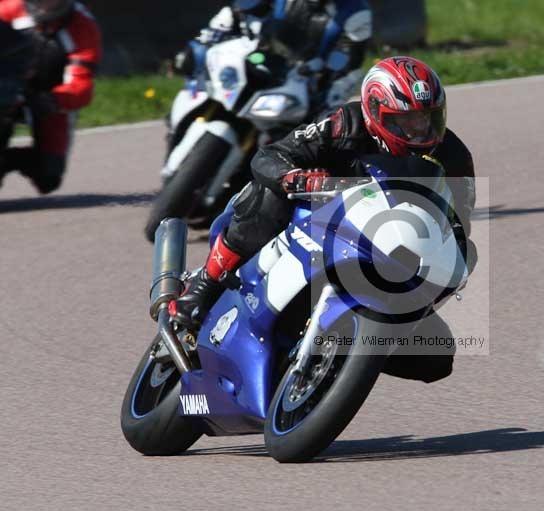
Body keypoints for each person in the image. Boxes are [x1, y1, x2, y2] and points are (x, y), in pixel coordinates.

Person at [171, 56, 476, 383]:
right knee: (271, 192)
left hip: (389, 248)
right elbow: (271, 156)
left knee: (437, 357)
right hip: (321, 219)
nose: (420, 131)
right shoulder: (344, 122)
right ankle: (208, 281)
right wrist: (297, 179)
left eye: (429, 119)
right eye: (406, 121)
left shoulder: (454, 156)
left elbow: (458, 223)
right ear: (374, 111)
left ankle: (354, 351)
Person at [176, 0, 372, 101]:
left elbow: (346, 60)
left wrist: (329, 85)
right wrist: (215, 33)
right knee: (194, 58)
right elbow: (240, 9)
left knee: (318, 131)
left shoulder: (357, 13)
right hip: (249, 56)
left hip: (298, 82)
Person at [0, 0, 101, 194]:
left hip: (49, 95)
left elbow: (82, 85)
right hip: (6, 87)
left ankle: (8, 161)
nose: (45, 5)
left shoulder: (83, 25)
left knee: (48, 177)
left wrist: (54, 100)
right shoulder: (8, 8)